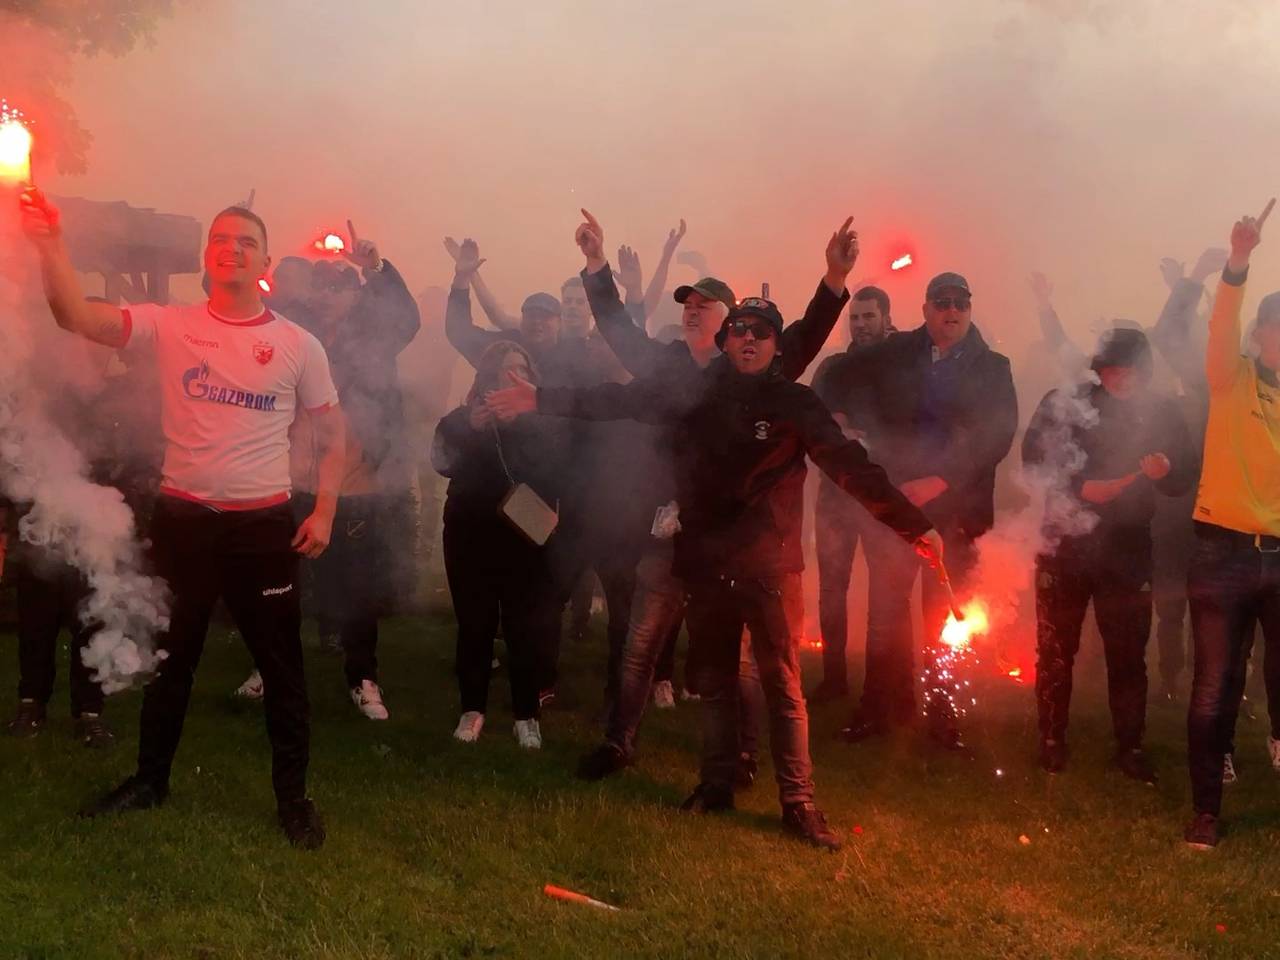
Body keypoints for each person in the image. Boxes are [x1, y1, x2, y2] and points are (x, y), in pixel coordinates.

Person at [489, 289, 942, 851]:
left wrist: (912, 524)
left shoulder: (793, 402)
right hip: (706, 563)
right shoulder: (697, 397)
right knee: (715, 685)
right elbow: (619, 399)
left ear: (777, 346)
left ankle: (799, 802)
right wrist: (540, 399)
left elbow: (850, 466)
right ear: (727, 341)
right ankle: (715, 782)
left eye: (761, 331)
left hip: (771, 569)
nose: (748, 338)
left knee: (783, 688)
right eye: (741, 330)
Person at [19, 190, 345, 850]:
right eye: (222, 239)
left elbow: (333, 434)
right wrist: (51, 245)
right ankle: (149, 780)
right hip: (184, 522)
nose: (232, 248)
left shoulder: (296, 344)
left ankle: (294, 800)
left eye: (245, 241)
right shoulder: (169, 325)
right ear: (207, 257)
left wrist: (326, 509)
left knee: (282, 669)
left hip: (262, 529)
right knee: (174, 664)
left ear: (265, 263)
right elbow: (73, 315)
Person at [543, 210, 857, 783]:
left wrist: (833, 278)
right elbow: (618, 332)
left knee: (736, 662)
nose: (690, 310)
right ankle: (619, 742)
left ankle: (738, 758)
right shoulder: (665, 365)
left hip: (733, 545)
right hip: (668, 532)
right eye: (687, 304)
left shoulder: (754, 364)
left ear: (731, 322)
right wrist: (595, 264)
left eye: (705, 305)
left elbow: (807, 334)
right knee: (640, 644)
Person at [241, 225, 420, 720]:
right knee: (282, 580)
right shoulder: (294, 332)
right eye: (321, 287)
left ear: (355, 294)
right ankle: (269, 669)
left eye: (338, 287)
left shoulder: (378, 336)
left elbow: (408, 318)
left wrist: (377, 269)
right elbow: (248, 315)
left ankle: (362, 678)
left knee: (356, 585)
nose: (326, 295)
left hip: (355, 482)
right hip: (294, 477)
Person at [839, 271, 1017, 749]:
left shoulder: (993, 367)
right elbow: (844, 373)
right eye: (942, 302)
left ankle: (944, 720)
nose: (951, 311)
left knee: (946, 617)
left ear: (970, 309)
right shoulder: (896, 353)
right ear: (925, 309)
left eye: (960, 302)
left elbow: (995, 437)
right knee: (885, 611)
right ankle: (882, 706)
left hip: (957, 511)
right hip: (898, 505)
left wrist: (940, 480)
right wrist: (839, 415)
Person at [1022, 327, 1195, 782]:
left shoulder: (1162, 412)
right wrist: (1080, 487)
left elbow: (1184, 476)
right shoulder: (1065, 402)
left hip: (1128, 547)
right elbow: (1034, 458)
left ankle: (1130, 745)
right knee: (1057, 647)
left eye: (1133, 371)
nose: (1124, 378)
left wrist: (1167, 470)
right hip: (1065, 542)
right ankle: (1052, 738)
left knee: (1128, 651)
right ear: (1099, 371)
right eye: (1115, 370)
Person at [1184, 198, 1280, 850]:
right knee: (1216, 684)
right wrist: (1239, 262)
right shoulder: (1230, 377)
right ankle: (1206, 813)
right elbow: (1221, 326)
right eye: (1276, 329)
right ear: (1259, 334)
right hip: (1221, 554)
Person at [432, 341, 565, 748]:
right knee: (475, 625)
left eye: (521, 369)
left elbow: (561, 466)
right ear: (488, 376)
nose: (514, 376)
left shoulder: (544, 418)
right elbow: (441, 462)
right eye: (505, 370)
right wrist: (471, 427)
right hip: (470, 533)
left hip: (524, 535)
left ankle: (527, 714)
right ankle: (472, 710)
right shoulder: (462, 418)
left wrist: (523, 420)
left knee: (524, 627)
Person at [807, 285, 896, 701]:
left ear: (886, 319)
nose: (861, 325)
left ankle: (880, 687)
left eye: (868, 317)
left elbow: (914, 422)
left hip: (882, 493)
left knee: (884, 589)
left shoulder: (902, 365)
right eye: (855, 318)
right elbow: (811, 415)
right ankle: (834, 678)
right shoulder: (833, 367)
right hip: (834, 492)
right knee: (831, 589)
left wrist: (876, 440)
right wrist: (837, 429)